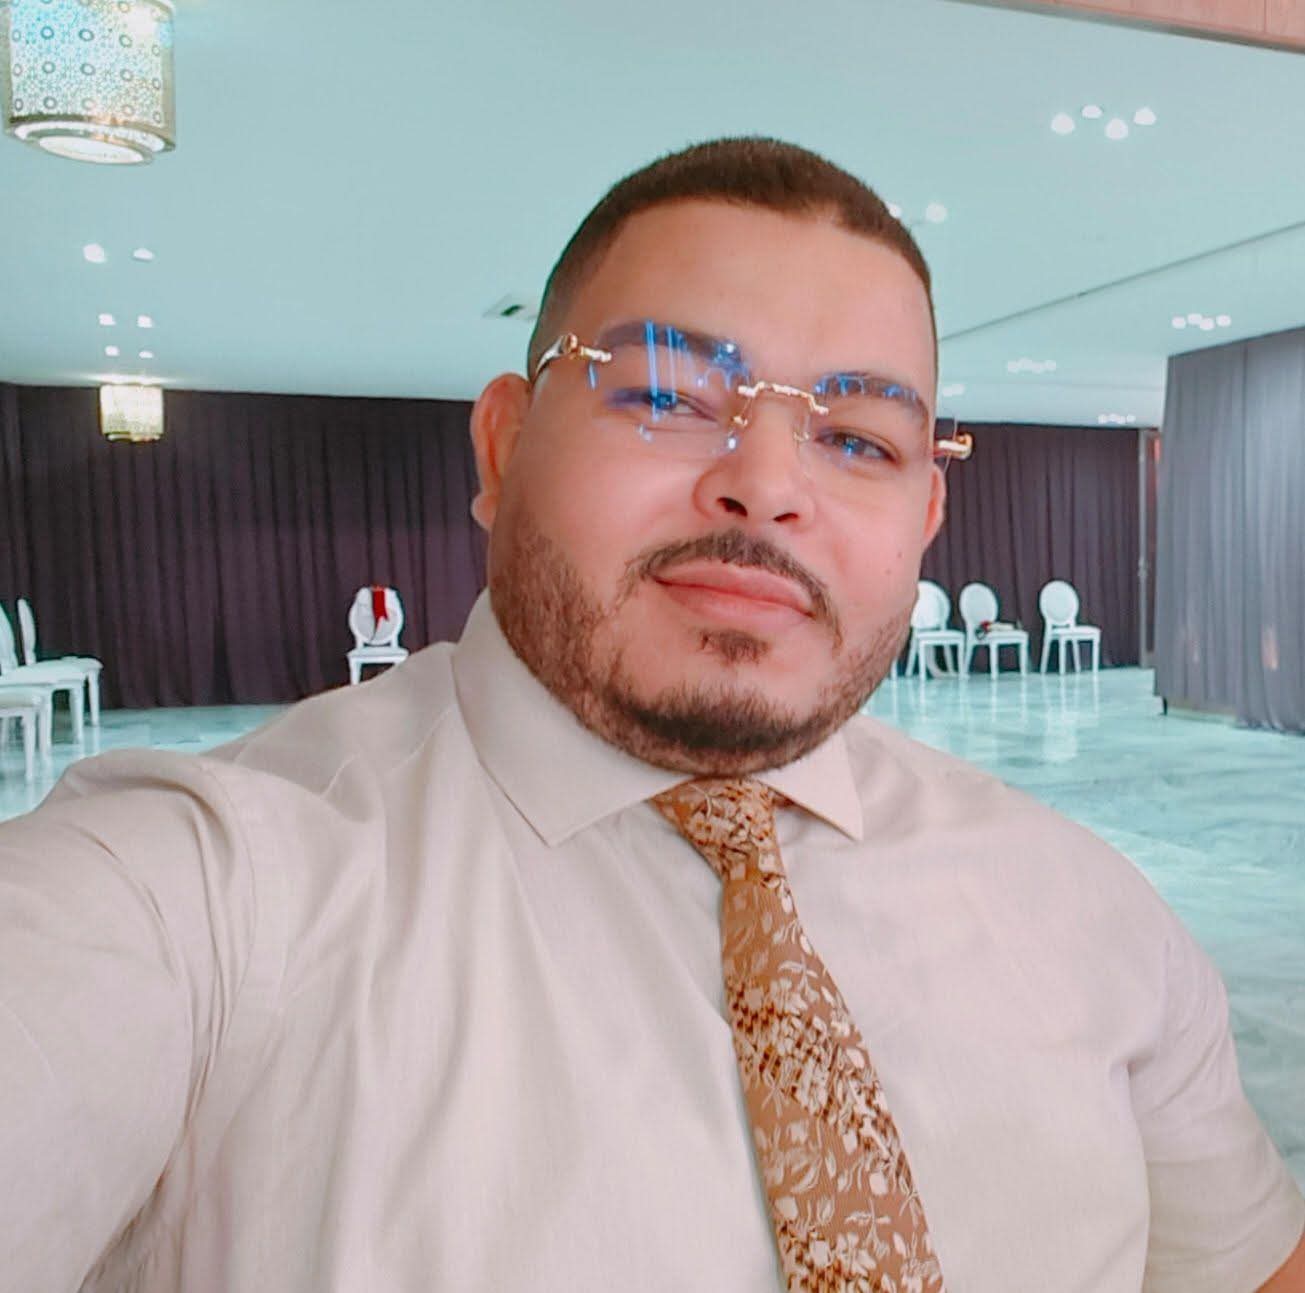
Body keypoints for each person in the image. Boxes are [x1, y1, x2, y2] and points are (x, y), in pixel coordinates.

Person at [1, 137, 1302, 1293]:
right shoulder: (196, 897)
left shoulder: (1087, 913)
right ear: (503, 447)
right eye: (667, 396)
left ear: (924, 515)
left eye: (856, 437)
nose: (766, 485)